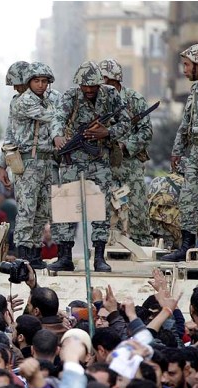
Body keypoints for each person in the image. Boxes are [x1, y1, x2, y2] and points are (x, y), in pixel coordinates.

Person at [49, 61, 131, 273]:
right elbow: (58, 117)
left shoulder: (111, 95)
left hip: (99, 159)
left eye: (93, 86)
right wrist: (57, 136)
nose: (88, 90)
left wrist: (107, 133)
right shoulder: (70, 96)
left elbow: (126, 121)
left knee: (100, 207)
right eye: (85, 86)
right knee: (66, 205)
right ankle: (64, 255)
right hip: (72, 159)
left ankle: (99, 257)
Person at [162, 44, 198, 261]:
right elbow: (185, 124)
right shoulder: (195, 90)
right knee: (187, 200)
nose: (184, 70)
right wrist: (177, 151)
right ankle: (187, 246)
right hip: (194, 155)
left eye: (187, 65)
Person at [10, 62, 61, 269]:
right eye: (36, 81)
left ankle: (35, 254)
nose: (41, 85)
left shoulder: (49, 99)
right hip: (29, 162)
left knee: (43, 211)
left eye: (44, 81)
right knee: (27, 210)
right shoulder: (24, 101)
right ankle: (23, 254)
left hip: (48, 160)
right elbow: (52, 116)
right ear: (29, 82)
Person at [99, 58, 153, 247]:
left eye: (106, 81)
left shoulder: (134, 99)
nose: (103, 86)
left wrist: (124, 146)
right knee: (108, 210)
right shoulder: (98, 102)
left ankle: (142, 245)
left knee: (137, 208)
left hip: (130, 164)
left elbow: (146, 132)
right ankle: (108, 246)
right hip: (105, 165)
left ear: (116, 81)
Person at [0, 61, 30, 192]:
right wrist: (2, 165)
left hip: (49, 163)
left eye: (17, 84)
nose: (15, 88)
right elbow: (10, 133)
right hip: (22, 163)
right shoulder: (15, 102)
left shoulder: (52, 98)